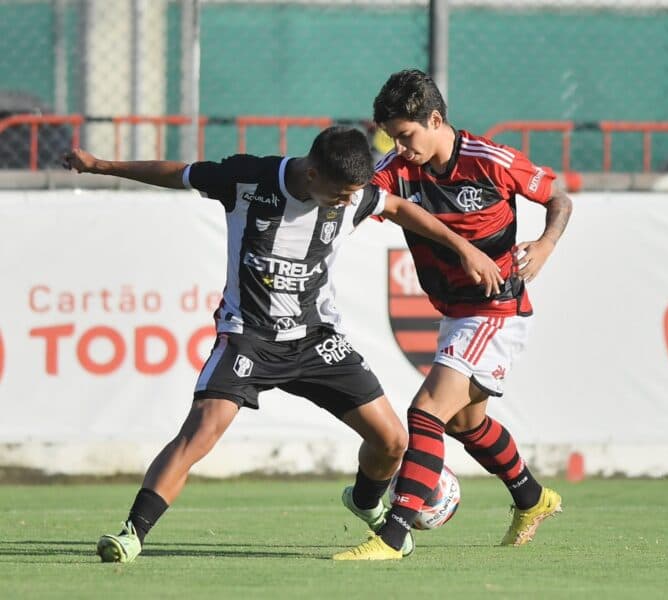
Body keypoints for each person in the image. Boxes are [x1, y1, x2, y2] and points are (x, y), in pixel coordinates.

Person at [62, 126, 503, 563]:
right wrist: (101, 165)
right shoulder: (247, 180)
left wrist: (463, 248)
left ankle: (366, 503)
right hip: (248, 337)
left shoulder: (352, 195)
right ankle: (132, 534)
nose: (348, 202)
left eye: (353, 194)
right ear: (312, 174)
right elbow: (177, 173)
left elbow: (399, 207)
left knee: (391, 441)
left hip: (316, 339)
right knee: (200, 432)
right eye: (340, 194)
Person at [333, 70, 573, 561]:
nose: (401, 148)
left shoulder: (491, 160)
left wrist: (546, 243)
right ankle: (533, 498)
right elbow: (358, 200)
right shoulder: (398, 169)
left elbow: (558, 197)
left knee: (426, 412)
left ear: (436, 120)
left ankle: (393, 535)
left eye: (406, 135)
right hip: (456, 312)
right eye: (393, 138)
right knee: (467, 424)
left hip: (497, 308)